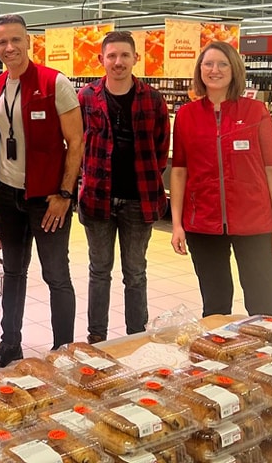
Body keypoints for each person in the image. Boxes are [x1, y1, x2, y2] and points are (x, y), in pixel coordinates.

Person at [0, 14, 83, 368]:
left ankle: (64, 352)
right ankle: (10, 344)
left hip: (48, 198)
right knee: (12, 272)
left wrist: (65, 194)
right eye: (1, 43)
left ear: (29, 42)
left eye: (15, 40)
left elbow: (76, 141)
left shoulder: (55, 83)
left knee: (56, 274)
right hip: (8, 195)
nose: (9, 48)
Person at [169, 41, 272, 317]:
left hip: (255, 223)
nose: (215, 70)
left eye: (223, 64)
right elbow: (179, 172)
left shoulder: (255, 112)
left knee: (263, 302)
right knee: (215, 305)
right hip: (203, 224)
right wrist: (177, 224)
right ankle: (220, 356)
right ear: (199, 70)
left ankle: (265, 357)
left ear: (234, 70)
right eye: (208, 64)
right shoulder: (186, 116)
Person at [77, 31, 170, 344]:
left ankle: (136, 337)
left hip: (138, 200)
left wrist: (145, 180)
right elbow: (76, 144)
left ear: (135, 59)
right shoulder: (86, 96)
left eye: (124, 56)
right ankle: (97, 338)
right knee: (99, 271)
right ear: (101, 59)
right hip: (97, 199)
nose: (118, 62)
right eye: (112, 56)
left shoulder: (154, 99)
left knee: (135, 274)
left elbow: (161, 152)